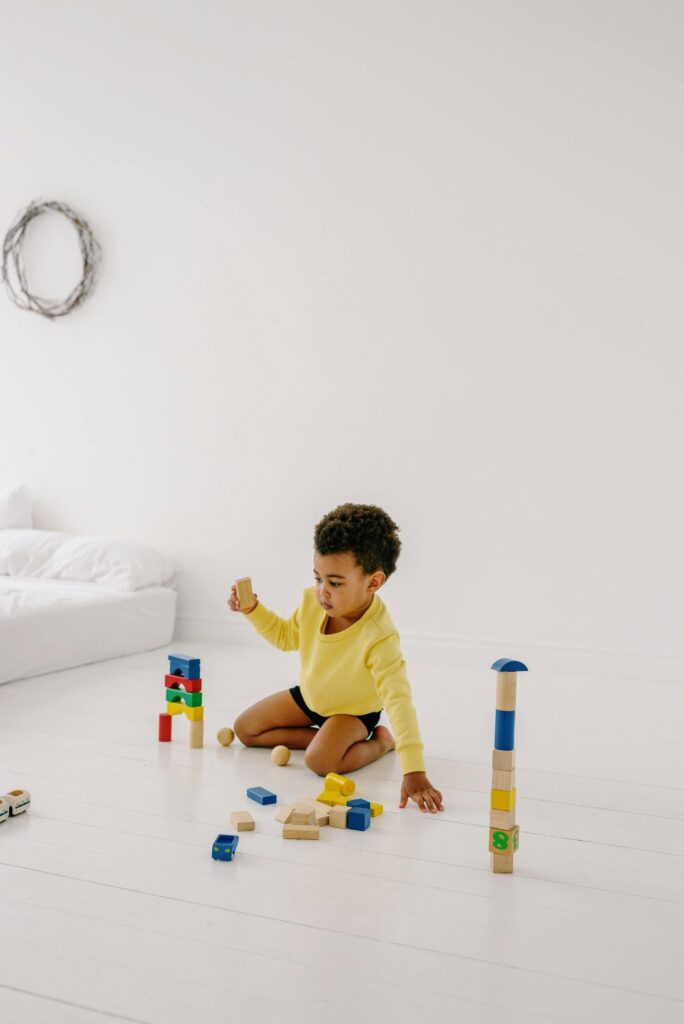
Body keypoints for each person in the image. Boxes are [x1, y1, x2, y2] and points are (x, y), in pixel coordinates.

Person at [229, 503, 444, 814]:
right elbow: (287, 637)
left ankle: (380, 743)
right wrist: (252, 610)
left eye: (335, 582)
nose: (321, 591)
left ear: (373, 582)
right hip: (311, 698)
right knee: (245, 729)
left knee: (320, 761)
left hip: (352, 714)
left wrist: (414, 771)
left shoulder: (379, 635)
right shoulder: (312, 601)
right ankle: (325, 738)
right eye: (318, 578)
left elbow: (398, 700)